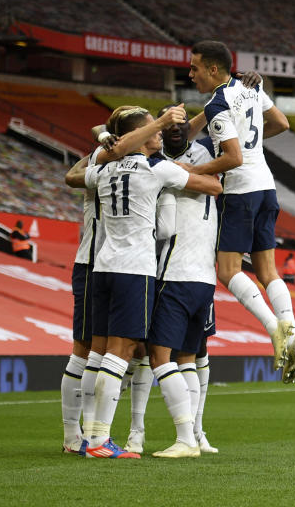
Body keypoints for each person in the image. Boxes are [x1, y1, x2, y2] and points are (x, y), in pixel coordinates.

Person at [68, 107, 221, 458]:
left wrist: (106, 146)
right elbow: (212, 186)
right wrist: (184, 175)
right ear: (141, 134)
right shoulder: (158, 169)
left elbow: (75, 176)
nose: (159, 135)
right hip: (135, 269)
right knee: (121, 353)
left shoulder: (103, 168)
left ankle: (90, 437)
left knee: (101, 350)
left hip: (102, 265)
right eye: (153, 130)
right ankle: (98, 441)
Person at [184, 41, 295, 383]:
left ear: (212, 69)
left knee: (227, 270)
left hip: (240, 191)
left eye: (194, 68)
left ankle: (274, 330)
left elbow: (233, 158)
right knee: (268, 271)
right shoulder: (250, 87)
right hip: (266, 186)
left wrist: (195, 173)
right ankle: (293, 333)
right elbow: (280, 122)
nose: (190, 74)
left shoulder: (218, 103)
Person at [143, 105, 223, 458]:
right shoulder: (208, 155)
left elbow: (165, 229)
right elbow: (217, 183)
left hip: (174, 272)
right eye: (168, 126)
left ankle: (185, 439)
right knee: (188, 357)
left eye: (181, 126)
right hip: (205, 276)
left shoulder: (161, 166)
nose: (174, 131)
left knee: (159, 356)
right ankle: (193, 433)